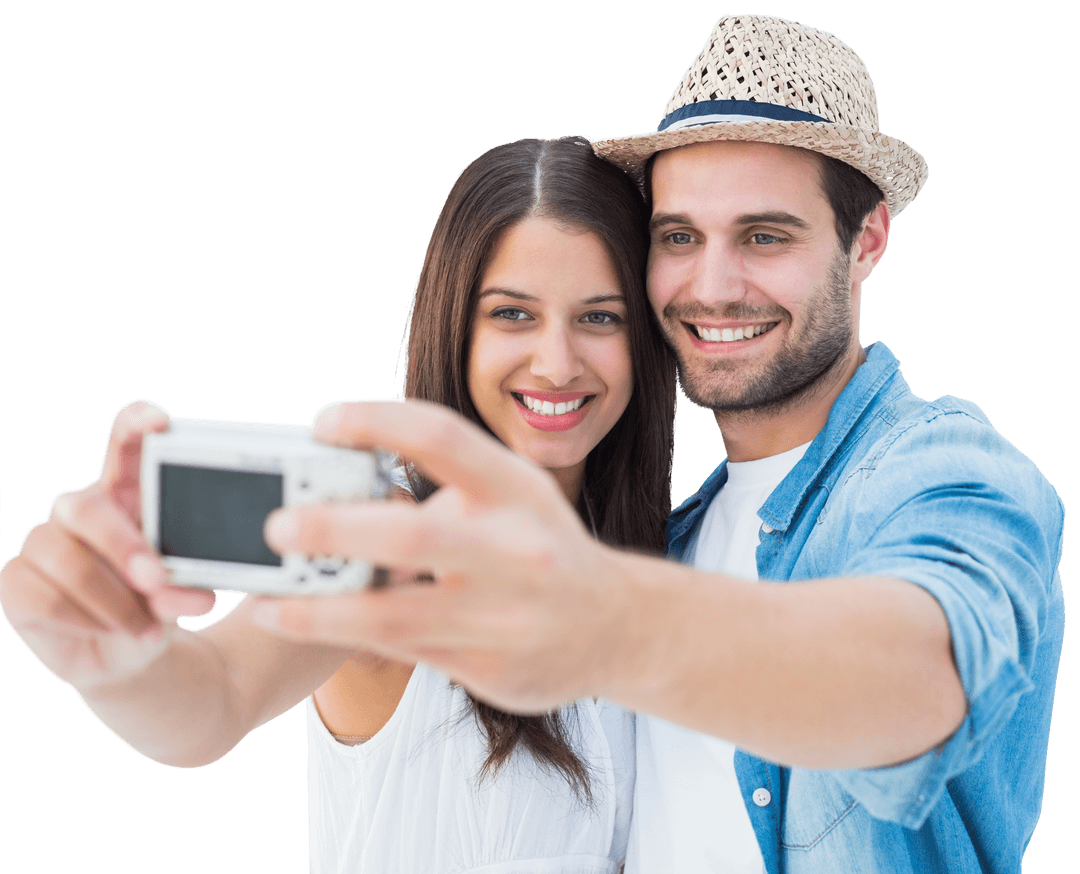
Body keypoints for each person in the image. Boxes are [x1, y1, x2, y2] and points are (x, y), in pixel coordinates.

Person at [227, 15, 1065, 874]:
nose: (712, 286)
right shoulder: (665, 542)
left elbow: (923, 678)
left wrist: (603, 621)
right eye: (678, 237)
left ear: (869, 242)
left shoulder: (944, 472)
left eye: (765, 236)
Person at [0, 136, 678, 873]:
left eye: (600, 318)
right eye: (512, 315)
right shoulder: (393, 540)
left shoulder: (661, 571)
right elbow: (220, 693)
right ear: (456, 327)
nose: (556, 361)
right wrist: (118, 665)